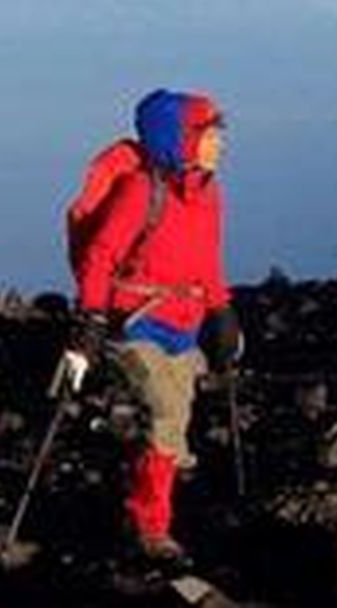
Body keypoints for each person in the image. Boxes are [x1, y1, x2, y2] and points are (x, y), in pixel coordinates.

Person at [65, 89, 243, 562]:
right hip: (136, 324)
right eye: (210, 134)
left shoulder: (207, 194)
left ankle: (134, 488)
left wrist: (222, 313)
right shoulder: (141, 191)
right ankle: (151, 528)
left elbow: (207, 261)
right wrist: (91, 321)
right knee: (166, 416)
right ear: (181, 139)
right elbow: (101, 256)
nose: (219, 144)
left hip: (183, 325)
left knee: (175, 421)